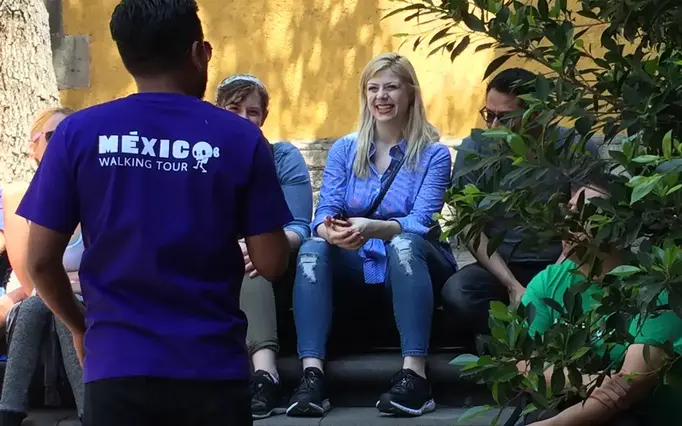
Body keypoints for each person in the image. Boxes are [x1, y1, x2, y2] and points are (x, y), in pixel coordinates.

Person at [14, 1, 293, 425]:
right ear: (199, 52)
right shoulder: (240, 137)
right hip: (212, 368)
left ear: (125, 55)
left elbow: (38, 261)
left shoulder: (77, 133)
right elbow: (271, 263)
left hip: (116, 365)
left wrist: (80, 326)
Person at [286, 53, 457, 418]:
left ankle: (415, 377)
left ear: (410, 94)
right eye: (373, 88)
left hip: (415, 261)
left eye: (391, 87)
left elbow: (421, 222)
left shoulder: (434, 154)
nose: (381, 96)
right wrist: (332, 232)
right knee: (313, 248)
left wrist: (373, 228)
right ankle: (312, 376)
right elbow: (324, 212)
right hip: (358, 258)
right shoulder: (345, 150)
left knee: (404, 243)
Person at [441, 68, 600, 337]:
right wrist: (512, 286)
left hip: (563, 263)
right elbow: (468, 225)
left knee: (588, 296)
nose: (493, 127)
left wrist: (547, 283)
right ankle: (511, 345)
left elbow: (582, 220)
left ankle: (533, 345)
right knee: (458, 292)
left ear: (535, 114)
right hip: (501, 265)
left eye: (504, 118)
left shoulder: (575, 146)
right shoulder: (474, 149)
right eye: (488, 115)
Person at [519, 184, 682, 426]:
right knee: (540, 411)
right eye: (569, 209)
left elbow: (630, 385)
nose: (566, 221)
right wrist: (585, 381)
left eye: (583, 213)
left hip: (644, 414)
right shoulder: (548, 281)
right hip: (571, 400)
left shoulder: (656, 286)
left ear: (616, 228)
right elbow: (522, 363)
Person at [215, 73, 313, 419]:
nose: (244, 119)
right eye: (234, 109)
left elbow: (300, 226)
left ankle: (265, 374)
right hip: (218, 262)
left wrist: (261, 247)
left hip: (276, 264)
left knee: (252, 260)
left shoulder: (282, 157)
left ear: (264, 118)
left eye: (252, 112)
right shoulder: (204, 158)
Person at [0, 107, 85, 426]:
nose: (62, 141)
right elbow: (30, 276)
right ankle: (9, 411)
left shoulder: (91, 194)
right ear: (32, 146)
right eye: (52, 135)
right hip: (34, 295)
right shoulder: (17, 195)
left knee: (61, 306)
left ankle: (88, 410)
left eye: (68, 134)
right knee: (47, 303)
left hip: (81, 296)